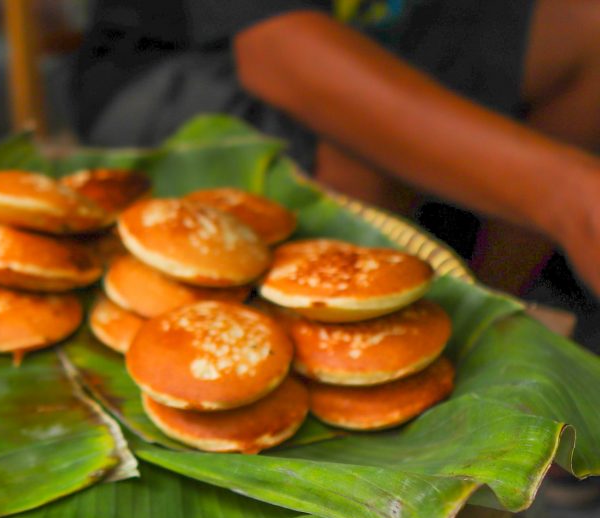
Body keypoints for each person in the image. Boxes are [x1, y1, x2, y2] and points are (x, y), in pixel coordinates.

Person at [72, 0, 600, 297]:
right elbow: (276, 52)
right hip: (183, 61)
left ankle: (492, 316)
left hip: (384, 26)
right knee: (362, 152)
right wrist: (566, 194)